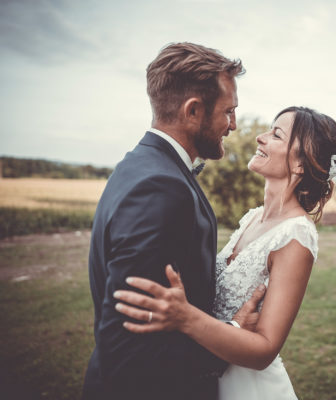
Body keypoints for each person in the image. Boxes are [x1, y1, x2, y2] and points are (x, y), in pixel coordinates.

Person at [113, 106, 336, 399]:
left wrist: (185, 317)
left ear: (301, 164)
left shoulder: (296, 234)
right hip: (208, 375)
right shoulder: (253, 217)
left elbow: (264, 350)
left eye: (276, 135)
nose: (260, 138)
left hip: (248, 387)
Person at [82, 42, 263, 400]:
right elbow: (130, 344)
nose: (234, 125)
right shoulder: (160, 187)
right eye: (229, 111)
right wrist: (232, 330)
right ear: (193, 111)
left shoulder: (141, 165)